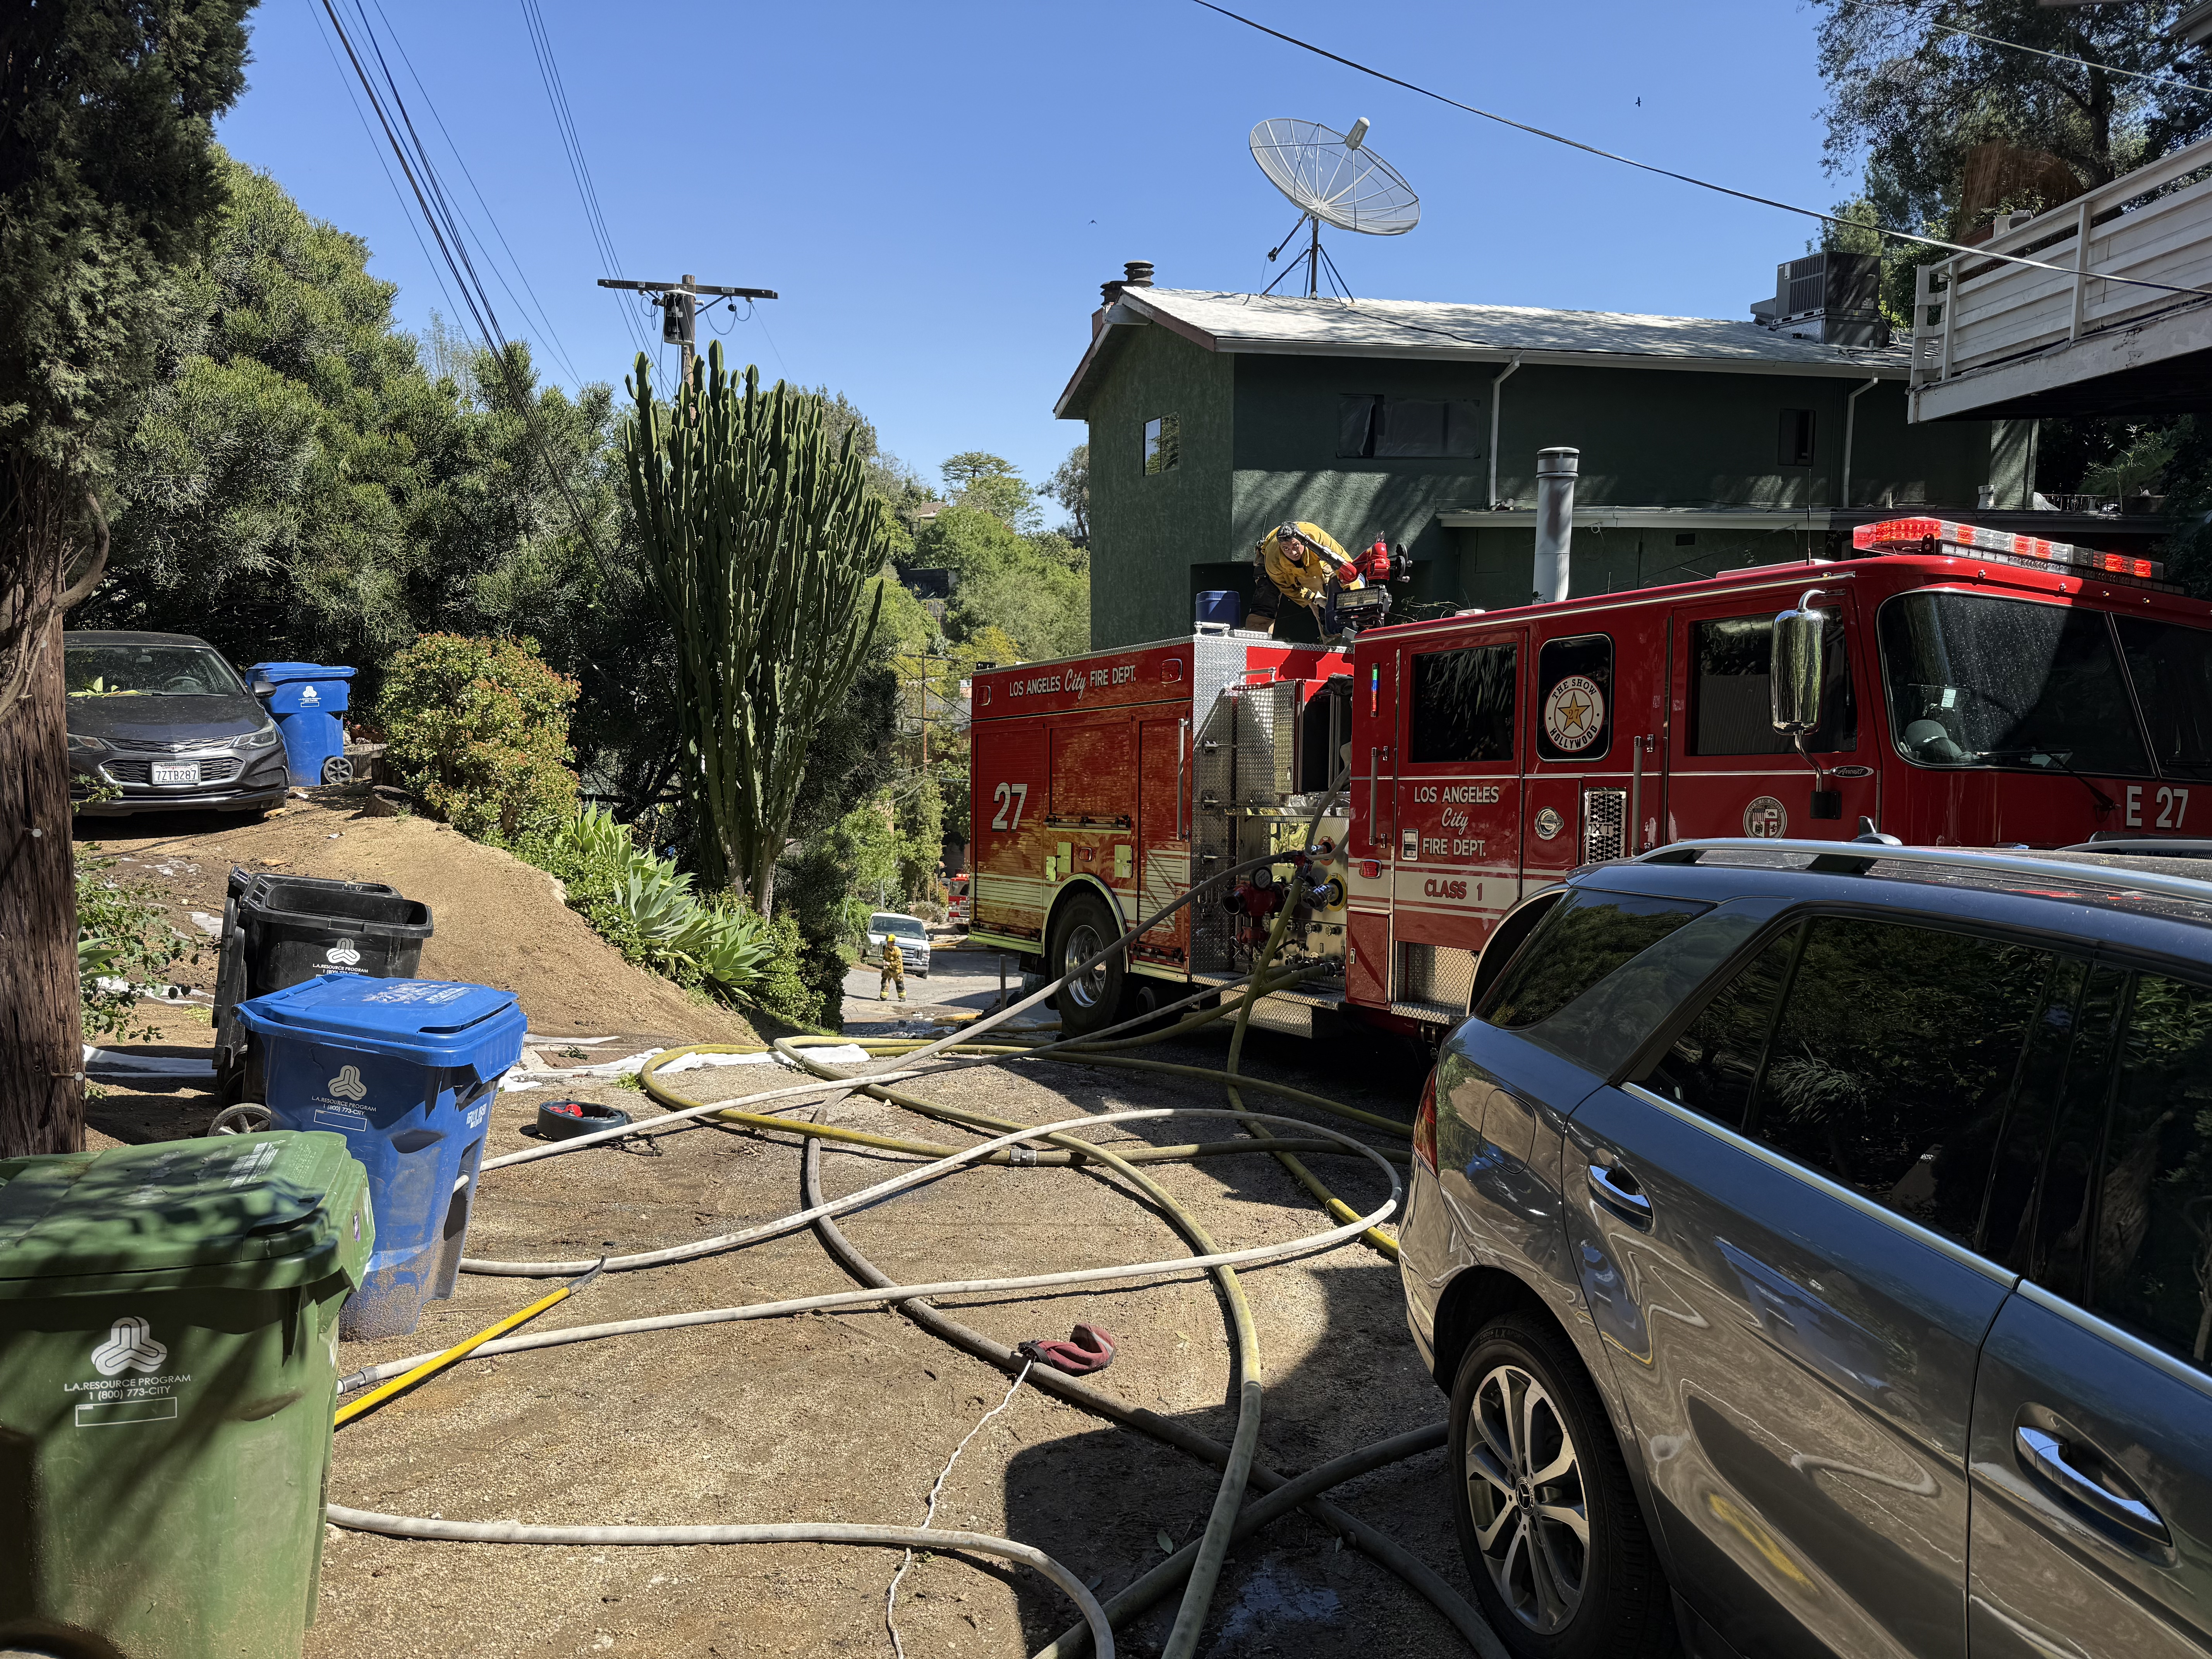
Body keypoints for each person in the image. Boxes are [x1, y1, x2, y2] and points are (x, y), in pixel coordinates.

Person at [1248, 521, 1362, 636]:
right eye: (1286, 549)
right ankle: (1256, 638)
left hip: (1315, 566)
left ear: (1302, 541)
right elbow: (1288, 588)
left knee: (1328, 599)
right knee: (1266, 595)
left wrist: (1353, 600)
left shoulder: (1319, 539)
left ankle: (1335, 639)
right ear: (1280, 547)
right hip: (1280, 571)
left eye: (1296, 546)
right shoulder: (1273, 561)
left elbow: (1348, 570)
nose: (1293, 553)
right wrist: (1314, 598)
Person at [879, 933, 906, 1002]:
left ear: (893, 943)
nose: (888, 944)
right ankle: (883, 997)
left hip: (897, 971)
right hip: (888, 970)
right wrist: (884, 962)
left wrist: (890, 964)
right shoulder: (887, 949)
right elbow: (885, 958)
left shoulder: (897, 950)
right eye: (888, 943)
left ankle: (902, 997)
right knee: (885, 982)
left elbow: (898, 962)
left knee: (899, 983)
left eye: (890, 943)